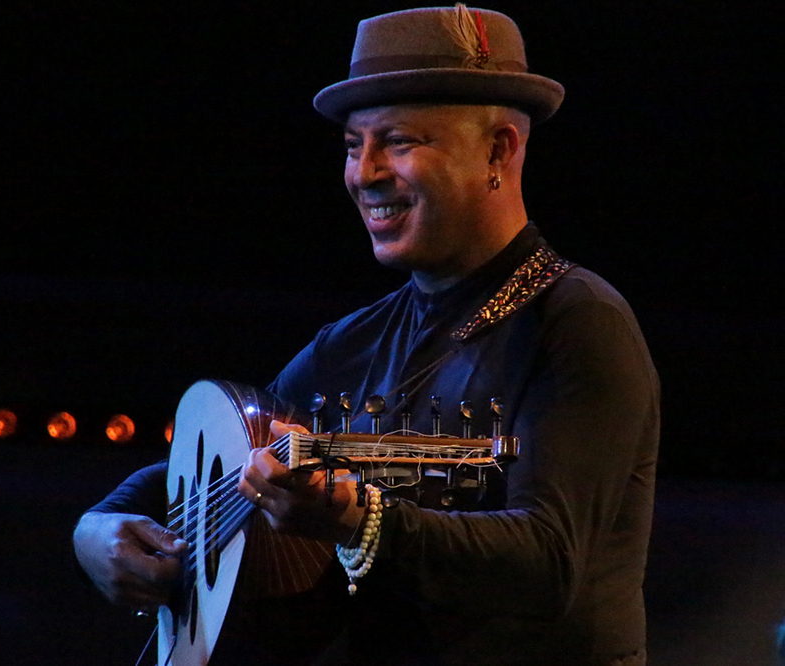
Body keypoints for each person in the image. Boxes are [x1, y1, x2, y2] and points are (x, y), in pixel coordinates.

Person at [73, 5, 659, 665]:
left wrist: (358, 517)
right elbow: (226, 471)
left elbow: (548, 561)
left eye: (399, 141)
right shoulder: (348, 346)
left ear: (499, 150)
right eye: (355, 146)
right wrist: (97, 528)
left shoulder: (577, 322)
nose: (365, 173)